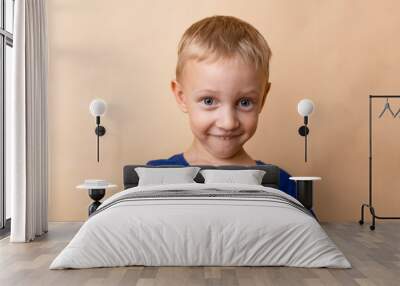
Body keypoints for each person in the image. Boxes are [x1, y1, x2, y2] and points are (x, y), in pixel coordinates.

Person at [147, 15, 296, 199]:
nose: (228, 123)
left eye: (245, 102)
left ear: (263, 99)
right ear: (181, 97)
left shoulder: (285, 187)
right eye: (209, 101)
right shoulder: (151, 180)